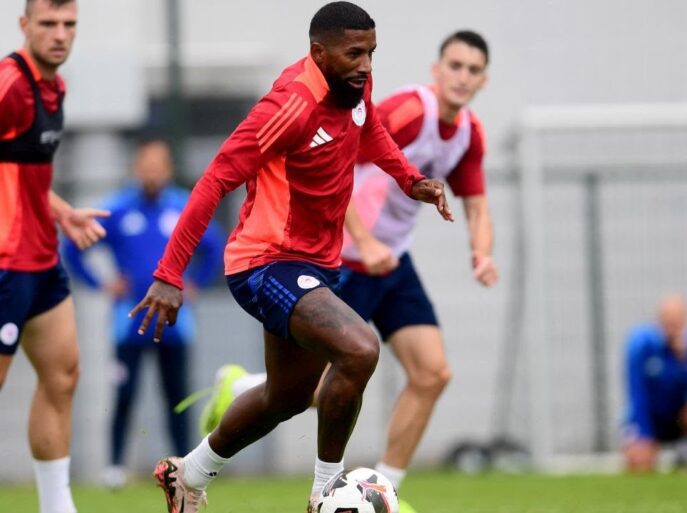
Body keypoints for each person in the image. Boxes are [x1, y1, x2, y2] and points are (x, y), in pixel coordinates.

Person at [128, 3, 453, 512]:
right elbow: (213, 181)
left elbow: (370, 128)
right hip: (265, 262)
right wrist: (169, 273)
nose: (366, 65)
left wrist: (410, 180)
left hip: (317, 265)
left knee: (288, 397)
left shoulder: (355, 86)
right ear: (318, 53)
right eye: (354, 54)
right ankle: (326, 493)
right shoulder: (289, 106)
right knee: (360, 349)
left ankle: (186, 474)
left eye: (371, 52)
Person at [196, 29, 496, 512]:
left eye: (473, 70)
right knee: (328, 377)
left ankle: (385, 492)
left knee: (432, 373)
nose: (463, 77)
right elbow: (340, 164)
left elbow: (476, 205)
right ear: (437, 70)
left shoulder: (468, 133)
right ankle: (246, 391)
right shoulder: (409, 110)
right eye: (455, 66)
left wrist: (482, 253)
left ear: (484, 81)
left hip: (393, 260)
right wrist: (365, 240)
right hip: (349, 258)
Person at [62, 138, 225, 489]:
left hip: (175, 323)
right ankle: (115, 468)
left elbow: (215, 247)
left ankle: (186, 467)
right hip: (129, 321)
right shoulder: (118, 210)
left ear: (168, 169)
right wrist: (101, 284)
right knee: (124, 394)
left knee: (178, 397)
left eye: (158, 165)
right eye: (146, 165)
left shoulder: (183, 206)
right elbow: (74, 247)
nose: (152, 172)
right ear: (137, 169)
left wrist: (195, 283)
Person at [0, 1, 110, 512]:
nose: (60, 34)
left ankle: (56, 507)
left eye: (69, 25)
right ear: (25, 26)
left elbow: (20, 174)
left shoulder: (54, 86)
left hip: (42, 260)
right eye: (48, 24)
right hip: (6, 263)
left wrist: (63, 213)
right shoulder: (10, 86)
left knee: (63, 375)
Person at [622, 294, 687, 472]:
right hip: (650, 418)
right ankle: (648, 447)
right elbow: (637, 394)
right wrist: (644, 435)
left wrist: (685, 359)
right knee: (639, 464)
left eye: (676, 323)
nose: (671, 329)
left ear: (686, 322)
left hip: (680, 419)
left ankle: (685, 444)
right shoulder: (641, 344)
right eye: (667, 322)